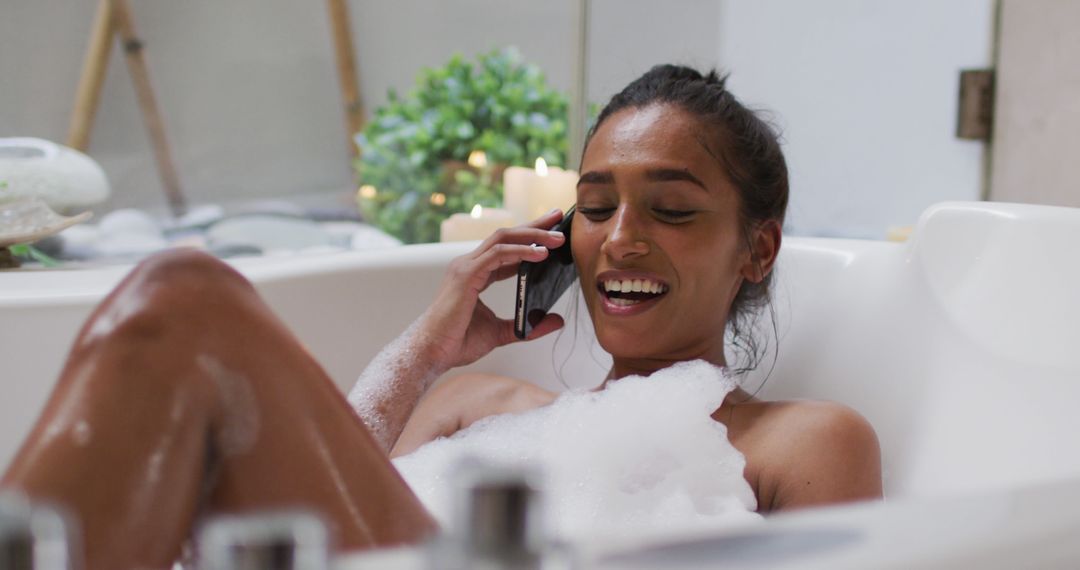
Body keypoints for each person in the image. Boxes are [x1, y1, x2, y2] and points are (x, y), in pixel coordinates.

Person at [0, 65, 881, 569]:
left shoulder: (804, 443)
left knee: (184, 303)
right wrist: (424, 352)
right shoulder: (475, 407)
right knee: (175, 301)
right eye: (598, 206)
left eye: (673, 211)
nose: (621, 240)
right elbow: (282, 502)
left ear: (757, 249)